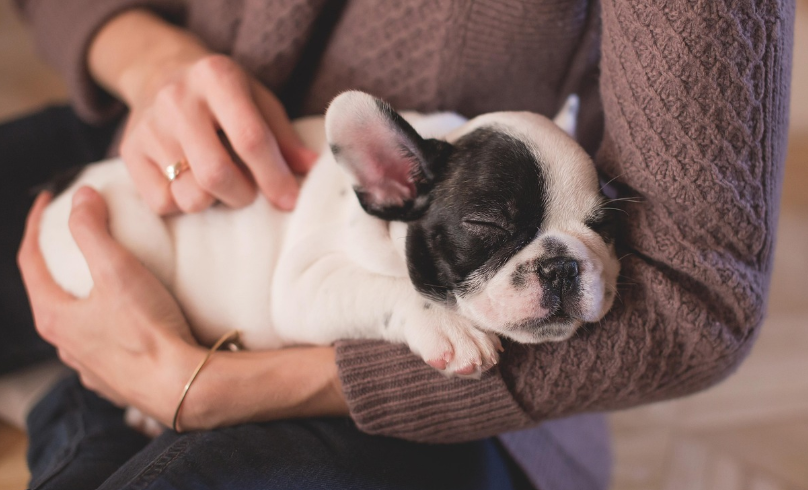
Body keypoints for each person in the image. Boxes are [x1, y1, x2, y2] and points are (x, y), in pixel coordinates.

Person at [2, 0, 794, 489]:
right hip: (156, 172)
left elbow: (700, 299)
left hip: (391, 399)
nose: (559, 267)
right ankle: (89, 406)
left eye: (597, 227)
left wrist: (205, 388)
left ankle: (76, 416)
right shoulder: (397, 188)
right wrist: (149, 58)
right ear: (386, 184)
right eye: (495, 236)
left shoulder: (457, 190)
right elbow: (306, 296)